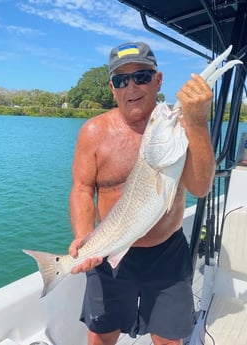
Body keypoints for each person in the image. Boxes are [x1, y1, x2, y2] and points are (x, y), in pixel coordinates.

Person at [68, 42, 216, 345]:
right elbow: (82, 189)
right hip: (109, 249)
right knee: (100, 336)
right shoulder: (93, 133)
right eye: (121, 80)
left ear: (158, 80)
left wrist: (198, 123)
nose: (131, 87)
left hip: (167, 252)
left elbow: (201, 188)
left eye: (141, 77)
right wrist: (84, 236)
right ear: (112, 88)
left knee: (168, 339)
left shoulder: (180, 128)